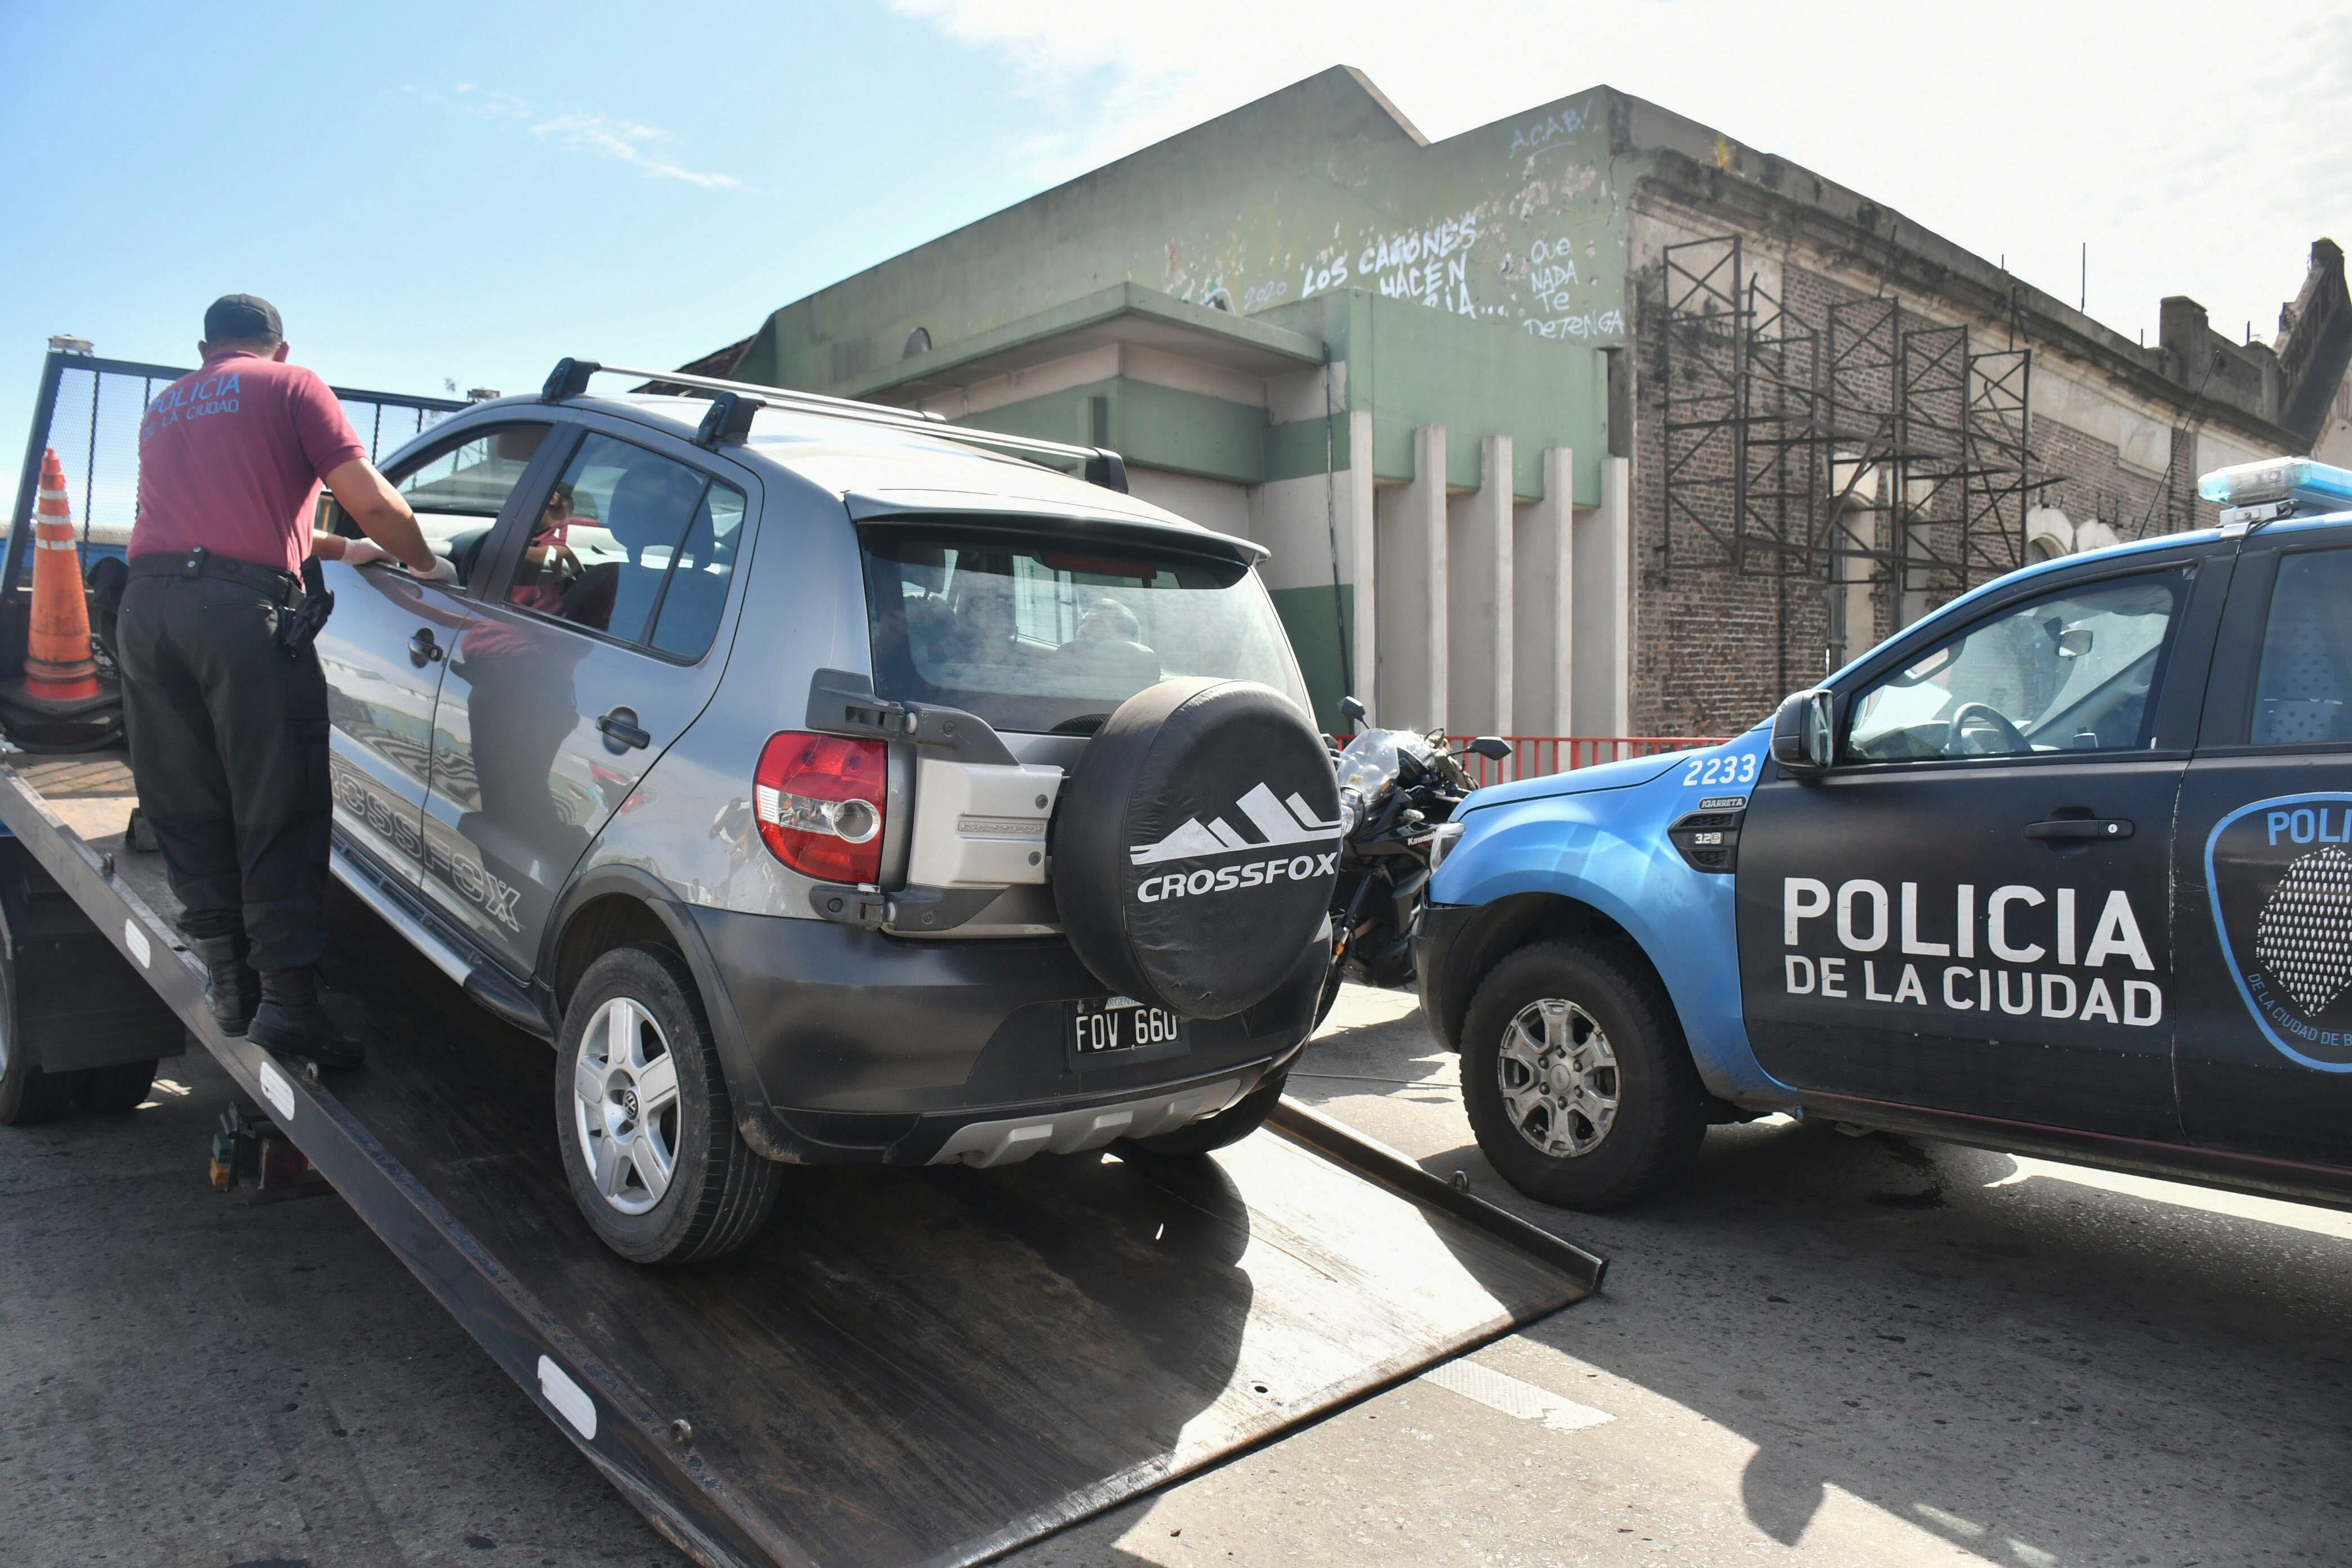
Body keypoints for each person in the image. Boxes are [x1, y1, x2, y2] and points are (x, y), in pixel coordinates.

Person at [119, 295, 440, 1071]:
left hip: (146, 608)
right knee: (277, 800)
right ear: (282, 346)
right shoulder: (292, 386)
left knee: (188, 796)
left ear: (205, 350)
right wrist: (422, 560)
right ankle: (291, 1009)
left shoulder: (164, 409)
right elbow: (370, 498)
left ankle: (232, 984)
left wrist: (344, 552)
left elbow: (227, 518)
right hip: (237, 619)